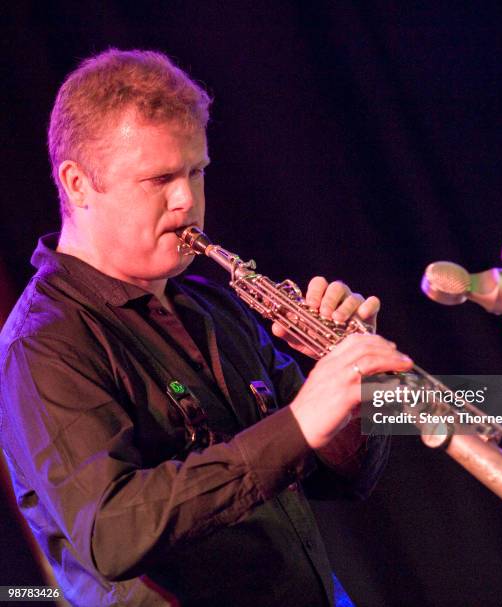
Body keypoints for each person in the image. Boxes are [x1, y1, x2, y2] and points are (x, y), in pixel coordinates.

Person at [0, 49, 412, 606]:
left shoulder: (210, 306)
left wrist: (352, 379)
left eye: (196, 171)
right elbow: (113, 533)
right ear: (77, 183)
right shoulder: (43, 343)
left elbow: (340, 477)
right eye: (159, 178)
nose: (187, 201)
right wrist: (297, 422)